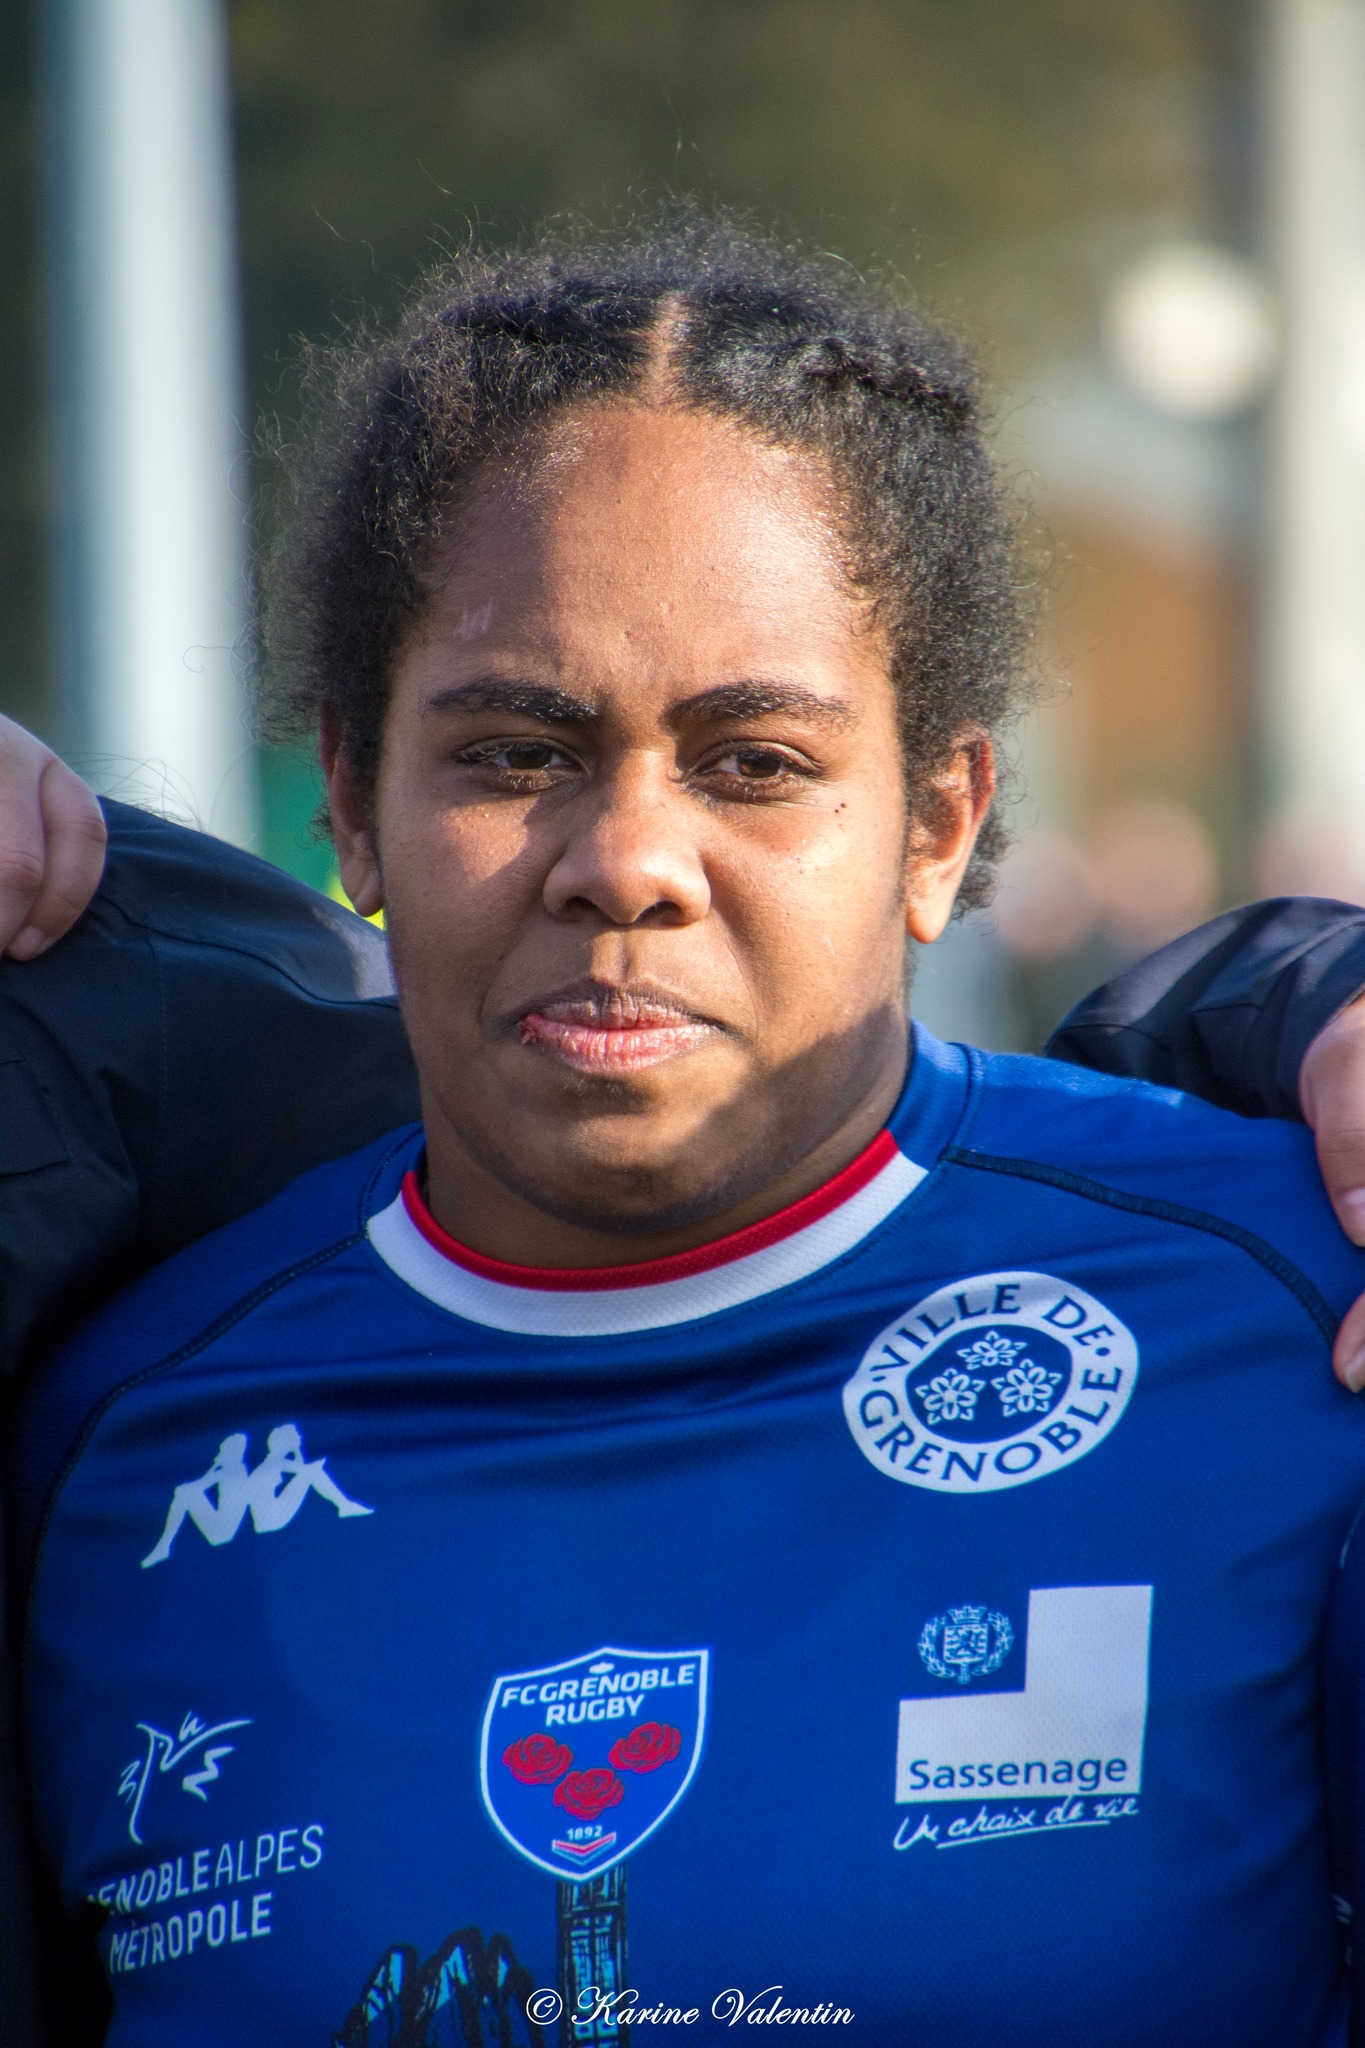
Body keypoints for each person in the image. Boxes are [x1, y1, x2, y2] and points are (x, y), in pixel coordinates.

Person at [8, 217, 1365, 2047]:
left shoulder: (1299, 1317)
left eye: (756, 763)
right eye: (511, 752)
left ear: (940, 823)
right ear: (346, 797)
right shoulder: (102, 1444)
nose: (625, 862)